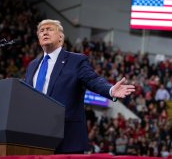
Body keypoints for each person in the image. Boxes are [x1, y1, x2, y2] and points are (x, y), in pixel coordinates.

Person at [24, 19, 135, 154]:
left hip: (66, 138)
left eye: (49, 29)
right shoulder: (32, 65)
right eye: (41, 31)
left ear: (60, 37)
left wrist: (110, 90)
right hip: (35, 136)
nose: (45, 32)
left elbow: (92, 80)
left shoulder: (75, 60)